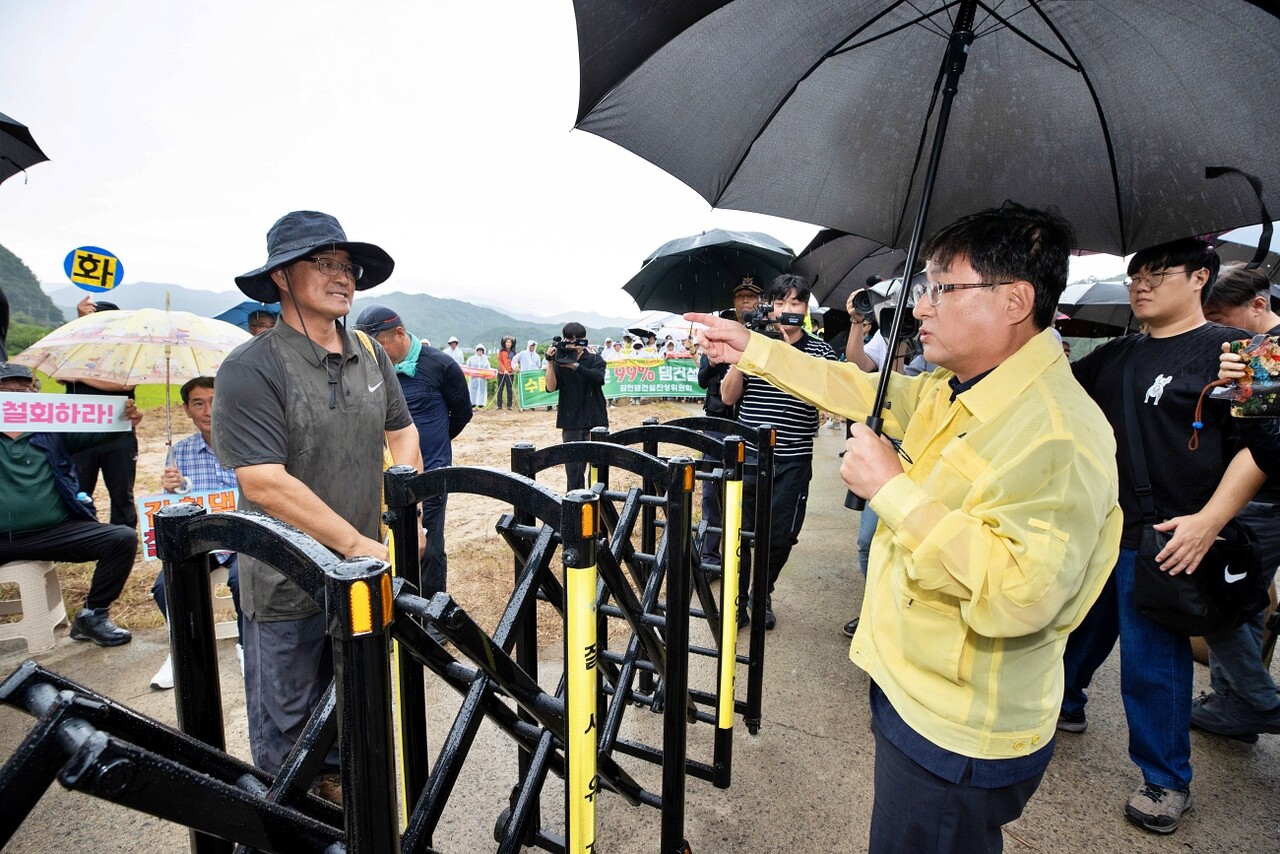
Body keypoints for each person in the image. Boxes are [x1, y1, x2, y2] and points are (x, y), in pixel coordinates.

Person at [691, 203, 1122, 853]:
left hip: (958, 729)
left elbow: (1021, 594)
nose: (920, 307)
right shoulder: (964, 387)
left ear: (1014, 300)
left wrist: (892, 489)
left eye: (941, 287)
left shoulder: (1056, 434)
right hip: (916, 691)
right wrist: (755, 350)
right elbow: (858, 389)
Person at [1059, 238, 1268, 834]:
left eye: (1157, 274)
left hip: (1170, 536)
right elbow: (1051, 390)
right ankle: (1067, 705)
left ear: (1200, 276)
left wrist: (1210, 521)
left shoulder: (1238, 351)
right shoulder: (1116, 354)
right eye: (1134, 277)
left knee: (1152, 661)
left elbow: (1264, 447)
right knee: (1077, 626)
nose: (1140, 286)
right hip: (1102, 527)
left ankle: (1165, 778)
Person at [213, 211, 423, 793]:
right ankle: (292, 822)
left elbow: (401, 432)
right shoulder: (251, 367)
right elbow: (262, 481)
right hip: (287, 578)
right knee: (289, 728)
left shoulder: (370, 353)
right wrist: (359, 544)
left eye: (348, 267)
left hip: (360, 569)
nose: (342, 278)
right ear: (281, 276)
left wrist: (408, 509)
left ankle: (346, 806)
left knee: (354, 704)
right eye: (324, 264)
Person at [1175, 264, 1280, 743]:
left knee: (1221, 600)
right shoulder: (1250, 351)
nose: (1213, 327)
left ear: (1258, 306)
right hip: (1259, 499)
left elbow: (1261, 442)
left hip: (1263, 500)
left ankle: (1260, 703)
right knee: (1240, 600)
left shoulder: (1265, 355)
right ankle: (1233, 702)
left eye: (1219, 316)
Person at [718, 274, 838, 630]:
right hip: (750, 454)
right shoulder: (752, 344)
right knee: (739, 532)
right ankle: (736, 600)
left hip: (794, 458)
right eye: (781, 303)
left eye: (796, 303)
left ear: (805, 309)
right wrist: (745, 356)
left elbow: (828, 401)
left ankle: (761, 593)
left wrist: (787, 356)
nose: (787, 310)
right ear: (769, 307)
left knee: (781, 534)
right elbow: (727, 396)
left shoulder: (820, 350)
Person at [0, 362, 142, 647]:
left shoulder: (51, 431)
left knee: (121, 538)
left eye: (26, 389)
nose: (18, 395)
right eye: (8, 390)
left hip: (53, 531)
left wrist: (125, 418)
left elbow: (101, 430)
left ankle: (92, 615)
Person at [353, 304, 471, 621]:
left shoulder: (441, 365)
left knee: (429, 546)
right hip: (384, 475)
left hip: (430, 473)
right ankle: (400, 613)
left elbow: (462, 413)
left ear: (400, 334)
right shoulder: (370, 369)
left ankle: (433, 617)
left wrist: (434, 444)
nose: (372, 352)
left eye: (377, 344)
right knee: (385, 543)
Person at [148, 375, 243, 690]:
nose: (207, 410)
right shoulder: (180, 453)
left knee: (243, 579)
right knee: (167, 586)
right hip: (201, 540)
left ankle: (247, 645)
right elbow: (173, 506)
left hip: (242, 536)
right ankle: (183, 649)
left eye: (214, 401)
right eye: (197, 403)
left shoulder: (247, 441)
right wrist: (171, 490)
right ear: (187, 409)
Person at [696, 279, 761, 568]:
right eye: (741, 296)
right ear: (733, 302)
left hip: (751, 425)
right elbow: (701, 380)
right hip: (717, 423)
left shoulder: (766, 331)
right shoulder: (719, 331)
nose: (746, 302)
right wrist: (714, 359)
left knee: (749, 492)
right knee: (712, 489)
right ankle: (710, 555)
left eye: (752, 297)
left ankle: (742, 551)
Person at [64, 297, 143, 530]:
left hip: (118, 433)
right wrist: (80, 321)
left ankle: (124, 537)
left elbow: (125, 384)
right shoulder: (75, 347)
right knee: (78, 491)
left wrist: (79, 375)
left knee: (122, 494)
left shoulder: (129, 351)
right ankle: (80, 535)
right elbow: (60, 374)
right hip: (80, 433)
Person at [544, 322, 608, 491]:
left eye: (578, 341)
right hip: (570, 421)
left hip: (595, 420)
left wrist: (576, 366)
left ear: (585, 341)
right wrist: (550, 363)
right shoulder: (560, 360)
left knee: (596, 469)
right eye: (570, 341)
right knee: (573, 471)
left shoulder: (594, 359)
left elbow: (599, 378)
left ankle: (597, 505)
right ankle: (575, 508)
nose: (574, 345)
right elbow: (550, 387)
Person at [495, 336, 517, 410]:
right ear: (504, 343)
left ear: (512, 344)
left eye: (509, 342)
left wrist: (514, 368)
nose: (508, 343)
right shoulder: (501, 352)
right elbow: (500, 362)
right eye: (507, 342)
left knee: (509, 389)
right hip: (502, 373)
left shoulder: (514, 353)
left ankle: (509, 405)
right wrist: (504, 370)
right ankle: (499, 405)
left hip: (510, 373)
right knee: (500, 388)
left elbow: (516, 361)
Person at [466, 344, 490, 410]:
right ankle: (472, 405)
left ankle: (480, 406)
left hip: (482, 379)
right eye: (478, 350)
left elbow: (488, 368)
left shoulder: (485, 359)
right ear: (476, 351)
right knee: (472, 391)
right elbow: (468, 366)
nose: (480, 352)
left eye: (481, 350)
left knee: (482, 391)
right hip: (474, 379)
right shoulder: (471, 358)